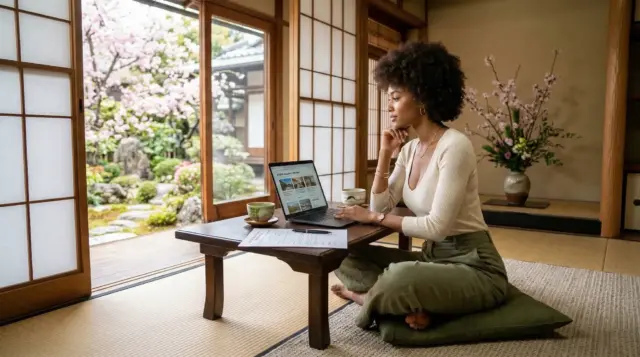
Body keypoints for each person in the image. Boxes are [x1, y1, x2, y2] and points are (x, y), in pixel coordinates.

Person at [331, 41, 509, 331]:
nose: (389, 106)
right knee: (342, 254)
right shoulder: (410, 149)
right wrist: (386, 153)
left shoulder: (455, 146)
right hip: (432, 258)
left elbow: (436, 228)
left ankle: (366, 299)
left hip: (474, 265)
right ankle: (407, 304)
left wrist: (373, 219)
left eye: (396, 97)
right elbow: (379, 205)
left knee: (399, 277)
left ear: (423, 97)